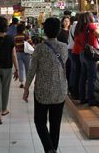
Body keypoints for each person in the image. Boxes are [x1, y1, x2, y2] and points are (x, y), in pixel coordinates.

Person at [23, 17, 68, 153]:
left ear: (45, 31)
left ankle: (49, 149)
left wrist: (26, 88)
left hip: (42, 91)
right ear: (59, 30)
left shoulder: (40, 48)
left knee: (40, 122)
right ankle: (52, 149)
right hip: (60, 90)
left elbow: (32, 70)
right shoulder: (64, 47)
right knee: (55, 124)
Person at [73, 12, 99, 106]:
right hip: (91, 54)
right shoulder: (90, 26)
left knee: (83, 76)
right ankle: (91, 99)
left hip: (82, 53)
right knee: (91, 77)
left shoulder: (78, 27)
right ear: (89, 17)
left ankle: (82, 97)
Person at [14, 23, 34, 88]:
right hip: (26, 54)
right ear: (23, 29)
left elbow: (14, 45)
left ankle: (21, 82)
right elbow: (31, 43)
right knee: (27, 68)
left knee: (20, 68)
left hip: (18, 54)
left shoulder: (15, 36)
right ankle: (27, 83)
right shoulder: (25, 36)